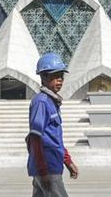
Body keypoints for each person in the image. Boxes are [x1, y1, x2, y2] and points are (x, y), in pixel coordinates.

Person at [27, 52, 79, 197]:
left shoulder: (52, 102)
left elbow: (55, 139)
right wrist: (43, 171)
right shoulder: (42, 102)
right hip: (47, 169)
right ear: (43, 77)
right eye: (55, 76)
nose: (59, 80)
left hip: (51, 166)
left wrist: (68, 161)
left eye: (61, 76)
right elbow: (36, 138)